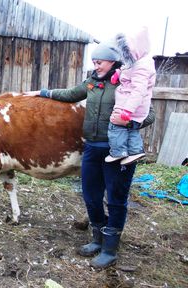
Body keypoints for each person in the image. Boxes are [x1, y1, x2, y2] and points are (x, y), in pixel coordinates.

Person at [23, 41, 155, 269]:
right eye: (94, 62)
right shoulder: (92, 82)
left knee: (116, 199)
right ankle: (98, 238)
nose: (96, 66)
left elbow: (149, 113)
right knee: (91, 196)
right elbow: (71, 94)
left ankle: (110, 249)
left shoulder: (128, 80)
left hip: (118, 150)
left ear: (113, 61)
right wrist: (41, 92)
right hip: (92, 148)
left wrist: (128, 122)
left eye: (99, 62)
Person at [105, 27, 156, 165]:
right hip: (137, 107)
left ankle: (118, 152)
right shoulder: (140, 62)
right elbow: (128, 69)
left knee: (115, 124)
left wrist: (128, 110)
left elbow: (138, 91)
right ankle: (136, 151)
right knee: (131, 129)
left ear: (136, 48)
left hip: (130, 105)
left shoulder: (141, 67)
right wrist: (119, 73)